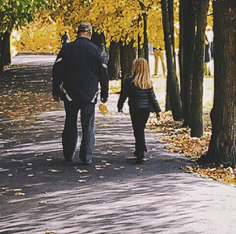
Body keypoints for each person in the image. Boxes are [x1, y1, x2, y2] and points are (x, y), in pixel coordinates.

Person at [52, 22, 109, 165]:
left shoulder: (67, 49)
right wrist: (105, 93)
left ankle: (68, 153)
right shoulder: (97, 51)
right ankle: (86, 156)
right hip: (90, 93)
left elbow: (57, 70)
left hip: (70, 92)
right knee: (88, 125)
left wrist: (56, 90)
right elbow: (104, 74)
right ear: (90, 33)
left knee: (70, 122)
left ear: (77, 33)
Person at [117, 57, 161, 162]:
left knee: (138, 130)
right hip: (145, 109)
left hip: (135, 108)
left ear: (135, 67)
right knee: (140, 129)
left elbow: (124, 94)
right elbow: (152, 98)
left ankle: (142, 151)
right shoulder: (148, 83)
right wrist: (157, 110)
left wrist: (120, 105)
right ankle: (139, 150)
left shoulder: (130, 81)